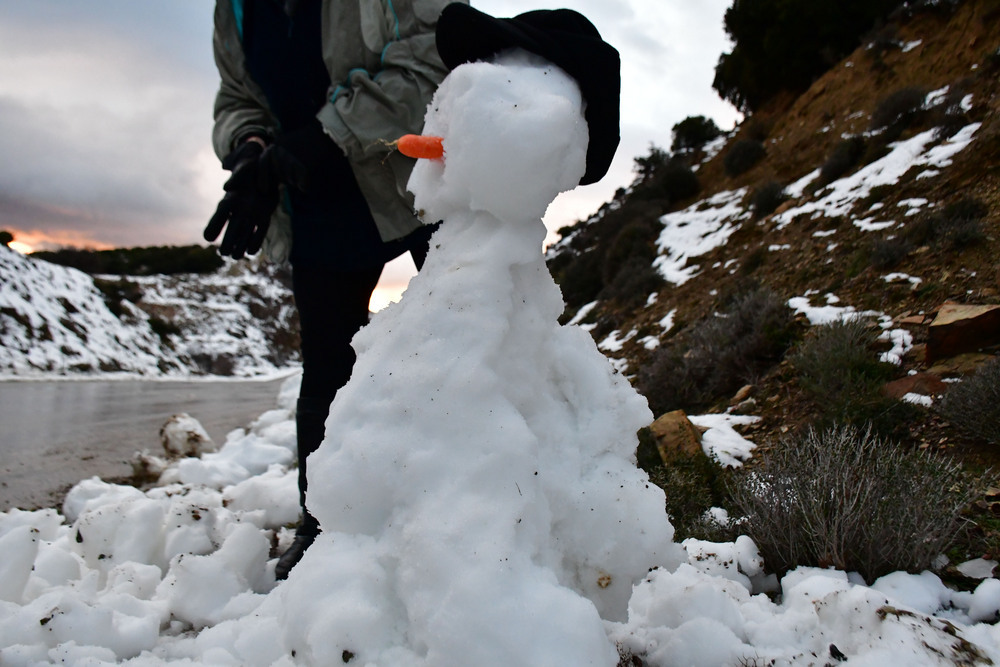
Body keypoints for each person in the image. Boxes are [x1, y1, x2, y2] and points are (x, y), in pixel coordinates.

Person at [206, 0, 464, 580]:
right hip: (317, 199)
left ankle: (505, 501)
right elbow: (237, 98)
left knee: (473, 336)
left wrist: (326, 135)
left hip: (421, 177)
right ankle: (321, 524)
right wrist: (252, 152)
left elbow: (429, 59)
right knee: (326, 369)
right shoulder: (237, 9)